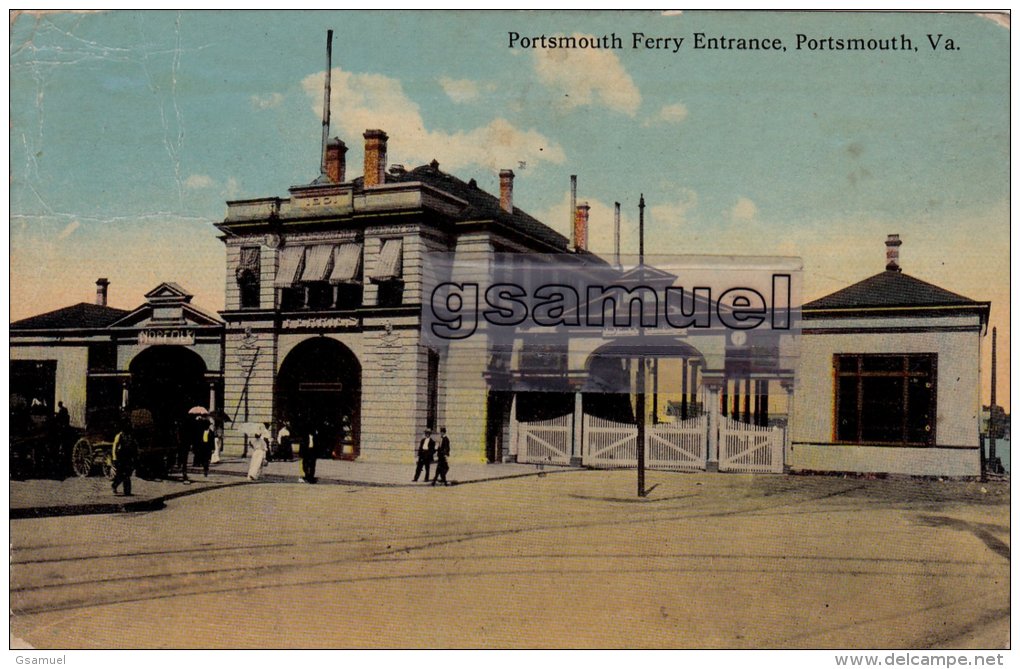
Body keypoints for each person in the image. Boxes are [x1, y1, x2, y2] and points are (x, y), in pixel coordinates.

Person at [111, 424, 138, 496]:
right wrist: (114, 458)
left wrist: (135, 457)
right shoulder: (119, 436)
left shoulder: (131, 437)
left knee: (128, 474)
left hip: (128, 458)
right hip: (121, 457)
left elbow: (134, 447)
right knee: (121, 475)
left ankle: (127, 491)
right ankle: (115, 485)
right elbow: (114, 448)